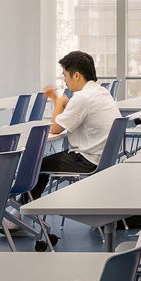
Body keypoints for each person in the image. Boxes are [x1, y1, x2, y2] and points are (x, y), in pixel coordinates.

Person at [30, 50, 123, 199]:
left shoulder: (82, 98)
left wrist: (59, 102)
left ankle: (22, 209)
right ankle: (26, 206)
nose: (65, 81)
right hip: (105, 157)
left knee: (36, 165)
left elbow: (55, 128)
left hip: (87, 161)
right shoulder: (102, 92)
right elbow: (69, 117)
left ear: (77, 75)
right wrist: (57, 100)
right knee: (45, 162)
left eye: (65, 76)